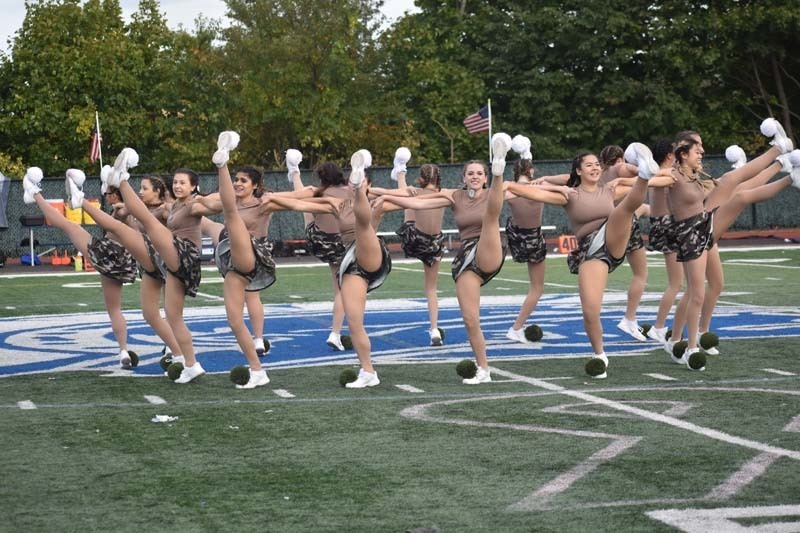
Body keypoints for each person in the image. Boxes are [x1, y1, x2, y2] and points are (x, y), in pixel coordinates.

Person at [506, 144, 674, 377]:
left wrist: (649, 176)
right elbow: (532, 193)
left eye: (597, 164)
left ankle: (643, 175)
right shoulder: (569, 194)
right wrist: (505, 183)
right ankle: (599, 355)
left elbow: (664, 181)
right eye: (589, 165)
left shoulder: (609, 190)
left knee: (623, 211)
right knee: (590, 310)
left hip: (614, 237)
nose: (595, 168)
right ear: (578, 171)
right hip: (591, 252)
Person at [373, 133, 521, 385]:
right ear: (463, 178)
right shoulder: (454, 196)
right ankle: (483, 369)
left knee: (491, 217)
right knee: (469, 318)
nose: (474, 177)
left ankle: (500, 166)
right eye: (470, 173)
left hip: (489, 248)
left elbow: (537, 190)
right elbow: (417, 202)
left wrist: (564, 189)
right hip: (467, 259)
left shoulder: (499, 191)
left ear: (485, 178)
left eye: (479, 173)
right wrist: (383, 196)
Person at [664, 120, 799, 366]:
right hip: (692, 231)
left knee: (714, 284)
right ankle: (781, 156)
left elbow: (741, 183)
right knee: (736, 192)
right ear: (683, 151)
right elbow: (657, 180)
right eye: (697, 147)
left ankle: (695, 335)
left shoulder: (695, 174)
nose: (702, 151)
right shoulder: (674, 173)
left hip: (703, 225)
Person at [271, 149, 392, 388]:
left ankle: (296, 170)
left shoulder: (380, 202)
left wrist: (443, 196)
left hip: (371, 255)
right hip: (351, 263)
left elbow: (417, 199)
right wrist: (268, 200)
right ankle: (368, 371)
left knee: (364, 223)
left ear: (367, 185)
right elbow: (297, 204)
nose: (352, 185)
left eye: (359, 183)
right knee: (355, 322)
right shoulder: (336, 203)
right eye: (352, 181)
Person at [105, 148, 208, 383]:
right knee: (172, 316)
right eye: (177, 182)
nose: (178, 186)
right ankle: (190, 363)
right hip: (167, 261)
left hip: (183, 256)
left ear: (194, 186)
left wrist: (215, 203)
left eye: (183, 183)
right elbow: (126, 212)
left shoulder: (190, 204)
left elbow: (210, 208)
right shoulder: (179, 205)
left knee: (150, 222)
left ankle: (123, 178)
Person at [21, 168, 137, 368]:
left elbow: (124, 213)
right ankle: (123, 351)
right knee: (115, 309)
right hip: (123, 262)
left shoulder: (123, 208)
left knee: (69, 226)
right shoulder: (132, 208)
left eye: (108, 193)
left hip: (108, 254)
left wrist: (120, 207)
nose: (105, 196)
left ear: (115, 194)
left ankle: (34, 193)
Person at [370, 148, 446, 346]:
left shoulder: (416, 192)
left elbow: (378, 191)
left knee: (407, 197)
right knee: (431, 289)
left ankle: (400, 171)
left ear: (421, 178)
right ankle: (434, 329)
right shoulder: (445, 194)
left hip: (415, 240)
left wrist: (383, 195)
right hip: (435, 245)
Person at [503, 135, 566, 343]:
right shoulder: (539, 186)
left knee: (536, 288)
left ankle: (517, 327)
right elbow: (564, 185)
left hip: (516, 235)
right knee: (537, 288)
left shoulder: (510, 187)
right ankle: (516, 327)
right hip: (531, 238)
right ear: (530, 170)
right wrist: (558, 187)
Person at [289, 153, 349, 352]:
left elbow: (298, 198)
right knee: (340, 290)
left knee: (306, 205)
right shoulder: (351, 191)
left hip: (319, 241)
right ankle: (335, 332)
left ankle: (295, 171)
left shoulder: (319, 192)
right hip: (341, 244)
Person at [598, 144, 650, 342]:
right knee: (640, 273)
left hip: (607, 225)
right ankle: (629, 318)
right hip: (626, 223)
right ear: (620, 158)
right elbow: (642, 174)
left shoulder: (601, 173)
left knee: (601, 271)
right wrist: (638, 166)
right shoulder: (620, 167)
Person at [644, 140, 683, 345]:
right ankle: (659, 327)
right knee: (676, 284)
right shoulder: (666, 173)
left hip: (665, 225)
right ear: (669, 156)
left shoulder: (662, 172)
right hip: (667, 227)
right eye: (676, 151)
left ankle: (660, 326)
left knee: (678, 283)